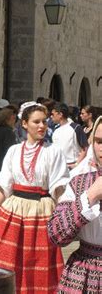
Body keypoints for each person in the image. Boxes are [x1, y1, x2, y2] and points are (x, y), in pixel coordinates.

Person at [0, 102, 69, 293]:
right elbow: (4, 186)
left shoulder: (53, 151)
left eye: (44, 122)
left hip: (41, 210)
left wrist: (64, 218)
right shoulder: (14, 151)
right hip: (13, 211)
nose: (41, 126)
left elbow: (59, 187)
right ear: (24, 124)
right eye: (36, 122)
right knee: (8, 261)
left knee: (37, 261)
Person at [48, 115, 102, 293]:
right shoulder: (80, 181)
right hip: (84, 275)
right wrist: (90, 195)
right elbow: (56, 234)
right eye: (99, 141)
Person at [51, 102, 88, 169]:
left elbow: (85, 147)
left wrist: (77, 164)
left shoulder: (76, 127)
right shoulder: (55, 130)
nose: (51, 116)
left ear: (60, 114)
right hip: (59, 167)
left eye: (53, 114)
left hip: (74, 167)